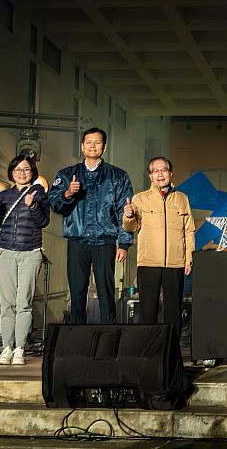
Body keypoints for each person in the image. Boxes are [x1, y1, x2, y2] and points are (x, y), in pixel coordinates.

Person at [47, 127, 133, 324]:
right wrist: (67, 194)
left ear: (104, 147)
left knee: (106, 291)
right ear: (82, 146)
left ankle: (108, 338)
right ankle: (78, 339)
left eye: (97, 142)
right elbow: (54, 204)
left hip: (105, 240)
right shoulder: (68, 174)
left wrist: (124, 243)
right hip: (78, 240)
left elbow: (125, 210)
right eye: (88, 142)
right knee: (77, 291)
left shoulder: (117, 175)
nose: (92, 146)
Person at [0, 155, 49, 365]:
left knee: (24, 303)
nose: (22, 173)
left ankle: (20, 348)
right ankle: (6, 347)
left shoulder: (39, 194)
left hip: (30, 251)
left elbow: (44, 221)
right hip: (5, 251)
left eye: (26, 169)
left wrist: (32, 206)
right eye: (18, 169)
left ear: (33, 172)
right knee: (7, 304)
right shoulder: (4, 195)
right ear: (11, 172)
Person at [122, 157, 194, 333]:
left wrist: (188, 258)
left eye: (164, 170)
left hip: (175, 263)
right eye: (155, 171)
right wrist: (129, 215)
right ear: (150, 175)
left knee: (173, 312)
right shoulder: (140, 199)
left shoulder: (182, 198)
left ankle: (172, 352)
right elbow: (130, 227)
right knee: (148, 311)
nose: (160, 174)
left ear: (170, 173)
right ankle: (150, 353)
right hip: (148, 263)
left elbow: (189, 231)